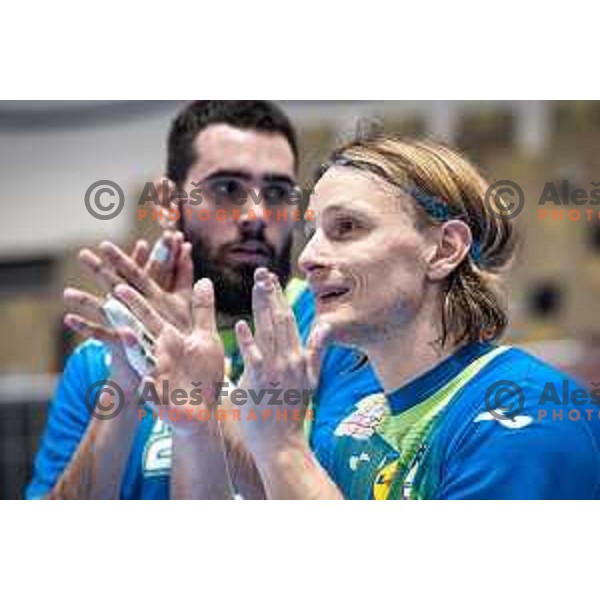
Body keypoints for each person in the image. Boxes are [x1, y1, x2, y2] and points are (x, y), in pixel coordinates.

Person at [119, 134, 600, 499]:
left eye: (346, 227)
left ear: (444, 249)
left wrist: (284, 446)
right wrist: (205, 414)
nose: (307, 258)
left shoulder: (520, 418)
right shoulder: (360, 424)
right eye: (313, 232)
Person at [26, 101, 382, 499]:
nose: (256, 214)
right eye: (227, 189)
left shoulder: (337, 337)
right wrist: (126, 380)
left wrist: (208, 401)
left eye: (278, 192)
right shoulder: (98, 360)